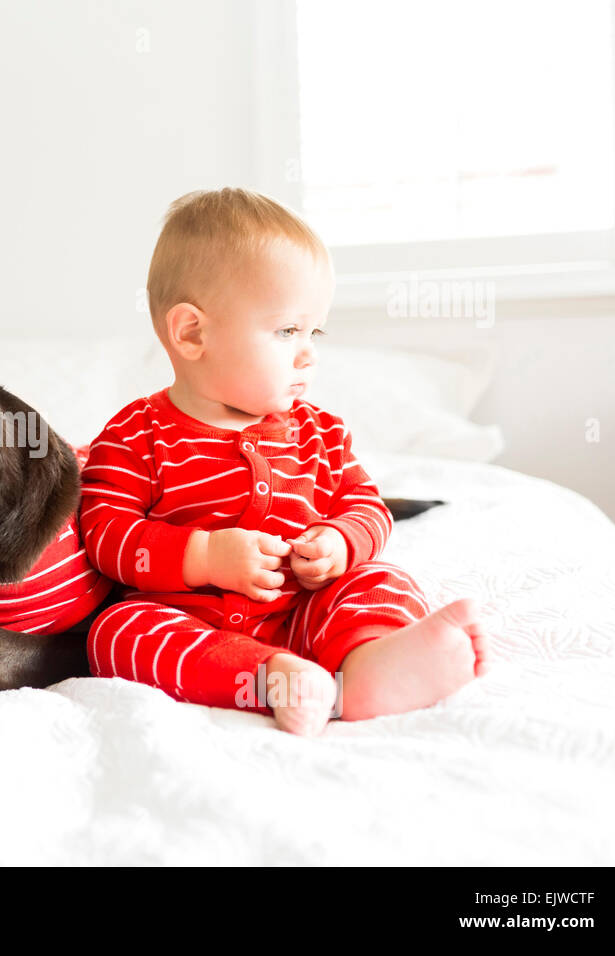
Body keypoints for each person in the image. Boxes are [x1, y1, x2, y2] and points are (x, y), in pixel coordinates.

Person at [80, 187, 492, 736]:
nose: (309, 353)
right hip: (192, 622)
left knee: (380, 579)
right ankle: (274, 679)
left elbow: (367, 507)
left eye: (313, 331)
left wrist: (341, 543)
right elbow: (105, 532)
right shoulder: (137, 434)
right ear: (192, 332)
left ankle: (370, 666)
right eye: (287, 331)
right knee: (116, 632)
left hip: (305, 611)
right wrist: (202, 557)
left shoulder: (320, 432)